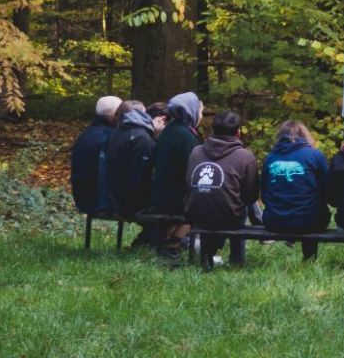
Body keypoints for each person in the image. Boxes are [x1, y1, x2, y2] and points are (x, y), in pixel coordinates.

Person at [180, 111, 258, 269]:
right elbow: (251, 195)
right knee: (237, 206)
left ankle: (206, 257)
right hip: (228, 216)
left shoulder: (196, 151)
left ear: (213, 131)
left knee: (211, 201)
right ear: (238, 133)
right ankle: (237, 260)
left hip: (194, 213)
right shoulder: (245, 156)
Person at [261, 120, 331, 259]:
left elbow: (264, 192)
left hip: (274, 220)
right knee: (313, 212)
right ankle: (310, 258)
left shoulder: (271, 157)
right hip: (310, 221)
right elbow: (327, 189)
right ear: (305, 135)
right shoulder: (315, 156)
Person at [150, 92, 202, 259]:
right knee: (206, 204)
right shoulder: (185, 136)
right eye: (200, 110)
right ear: (191, 111)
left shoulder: (169, 130)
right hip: (175, 198)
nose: (201, 115)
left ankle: (170, 239)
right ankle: (173, 242)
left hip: (161, 193)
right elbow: (191, 171)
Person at [102, 100, 160, 246]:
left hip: (114, 196)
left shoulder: (118, 133)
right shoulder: (141, 137)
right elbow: (140, 177)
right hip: (130, 202)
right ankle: (152, 240)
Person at [68, 95, 121, 215]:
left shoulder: (86, 134)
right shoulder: (108, 137)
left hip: (82, 199)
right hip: (100, 203)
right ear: (114, 113)